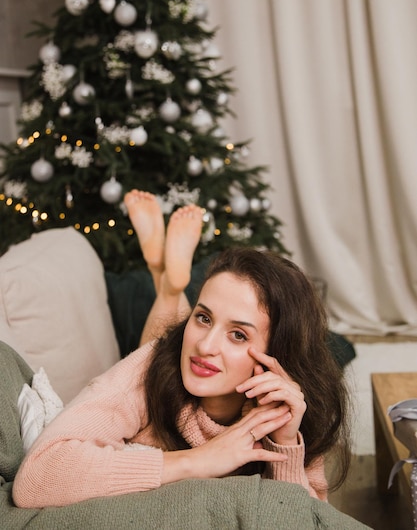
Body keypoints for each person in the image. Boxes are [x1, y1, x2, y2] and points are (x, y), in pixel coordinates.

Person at [12, 190, 351, 509]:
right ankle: (169, 283)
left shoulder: (292, 406)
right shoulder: (150, 368)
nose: (205, 345)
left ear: (278, 353)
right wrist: (199, 460)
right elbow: (35, 479)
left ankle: (165, 279)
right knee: (158, 347)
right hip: (157, 366)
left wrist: (286, 443)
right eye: (203, 317)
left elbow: (308, 520)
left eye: (238, 335)